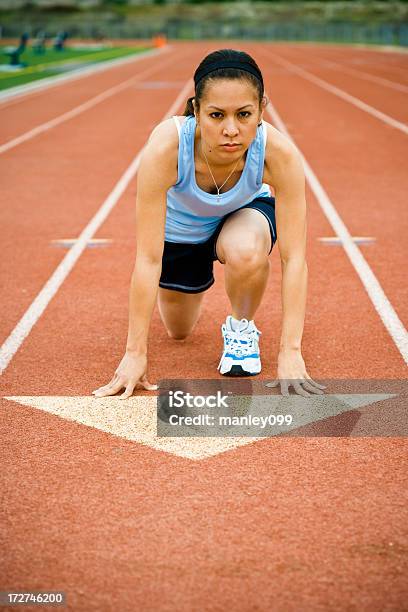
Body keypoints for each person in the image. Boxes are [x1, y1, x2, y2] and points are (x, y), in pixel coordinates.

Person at [92, 48, 325, 399]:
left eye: (244, 114)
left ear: (262, 108)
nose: (231, 129)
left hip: (242, 217)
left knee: (247, 251)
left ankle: (241, 330)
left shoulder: (279, 155)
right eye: (217, 115)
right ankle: (189, 291)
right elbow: (148, 258)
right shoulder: (166, 148)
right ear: (196, 111)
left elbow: (294, 259)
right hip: (181, 234)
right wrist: (134, 354)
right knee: (179, 331)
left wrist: (290, 352)